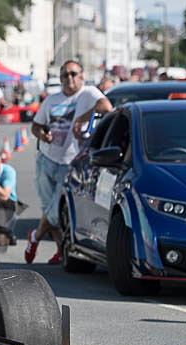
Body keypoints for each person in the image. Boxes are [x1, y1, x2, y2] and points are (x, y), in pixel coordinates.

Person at [26, 59, 113, 264]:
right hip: (46, 160)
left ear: (81, 76)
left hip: (70, 163)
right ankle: (59, 251)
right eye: (65, 75)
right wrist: (42, 135)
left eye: (74, 74)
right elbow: (36, 126)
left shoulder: (88, 94)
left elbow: (106, 107)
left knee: (56, 212)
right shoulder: (51, 100)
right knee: (49, 208)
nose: (69, 78)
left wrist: (83, 118)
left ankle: (35, 237)